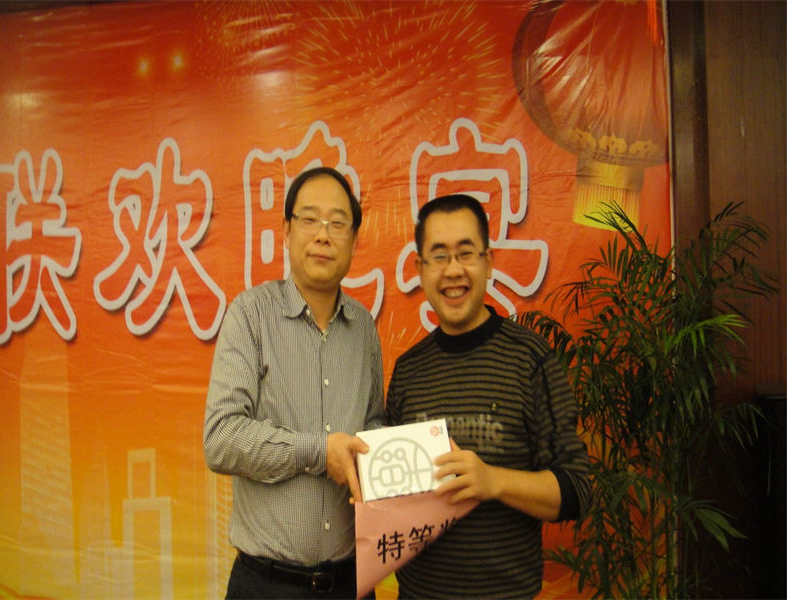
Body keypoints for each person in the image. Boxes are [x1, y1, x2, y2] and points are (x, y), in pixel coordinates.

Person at [386, 194, 591, 599]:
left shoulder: (530, 359)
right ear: (420, 269)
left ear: (489, 262)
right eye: (439, 256)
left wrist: (493, 481)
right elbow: (393, 499)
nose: (453, 270)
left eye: (466, 253)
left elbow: (577, 490)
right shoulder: (408, 371)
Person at [204, 166, 384, 599]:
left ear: (354, 240)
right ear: (286, 231)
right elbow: (221, 438)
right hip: (267, 584)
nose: (323, 235)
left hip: (351, 583)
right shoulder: (250, 315)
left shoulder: (363, 328)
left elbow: (374, 421)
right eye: (309, 219)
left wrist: (382, 456)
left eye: (337, 223)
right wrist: (320, 452)